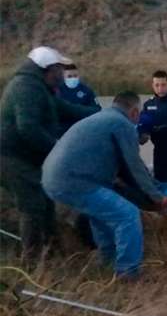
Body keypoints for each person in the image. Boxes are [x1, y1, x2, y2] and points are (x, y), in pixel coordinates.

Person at [42, 91, 167, 280]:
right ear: (135, 112)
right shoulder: (123, 124)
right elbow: (134, 166)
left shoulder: (102, 118)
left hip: (52, 178)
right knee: (128, 215)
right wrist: (157, 197)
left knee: (101, 215)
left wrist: (153, 186)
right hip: (74, 181)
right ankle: (128, 273)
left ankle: (106, 263)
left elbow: (129, 167)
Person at [0, 46, 99, 259]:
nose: (62, 75)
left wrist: (98, 114)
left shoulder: (39, 88)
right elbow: (27, 127)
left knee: (45, 202)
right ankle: (33, 262)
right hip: (11, 158)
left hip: (24, 157)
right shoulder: (25, 88)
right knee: (32, 205)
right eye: (59, 70)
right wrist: (57, 149)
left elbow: (65, 108)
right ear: (47, 69)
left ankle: (53, 255)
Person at [57, 63, 100, 133]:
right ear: (63, 76)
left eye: (75, 76)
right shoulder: (57, 90)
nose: (73, 78)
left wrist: (78, 111)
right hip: (62, 130)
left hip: (82, 129)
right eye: (69, 76)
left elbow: (97, 110)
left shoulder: (86, 90)